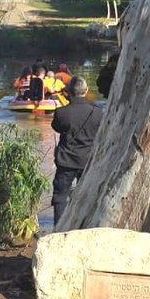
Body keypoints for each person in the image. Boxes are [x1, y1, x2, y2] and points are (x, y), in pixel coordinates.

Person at [49, 76, 103, 225]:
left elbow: (56, 127)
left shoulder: (61, 113)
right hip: (88, 161)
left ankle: (59, 228)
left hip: (66, 161)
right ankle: (84, 227)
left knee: (60, 196)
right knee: (86, 196)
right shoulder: (98, 113)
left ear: (68, 91)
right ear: (86, 90)